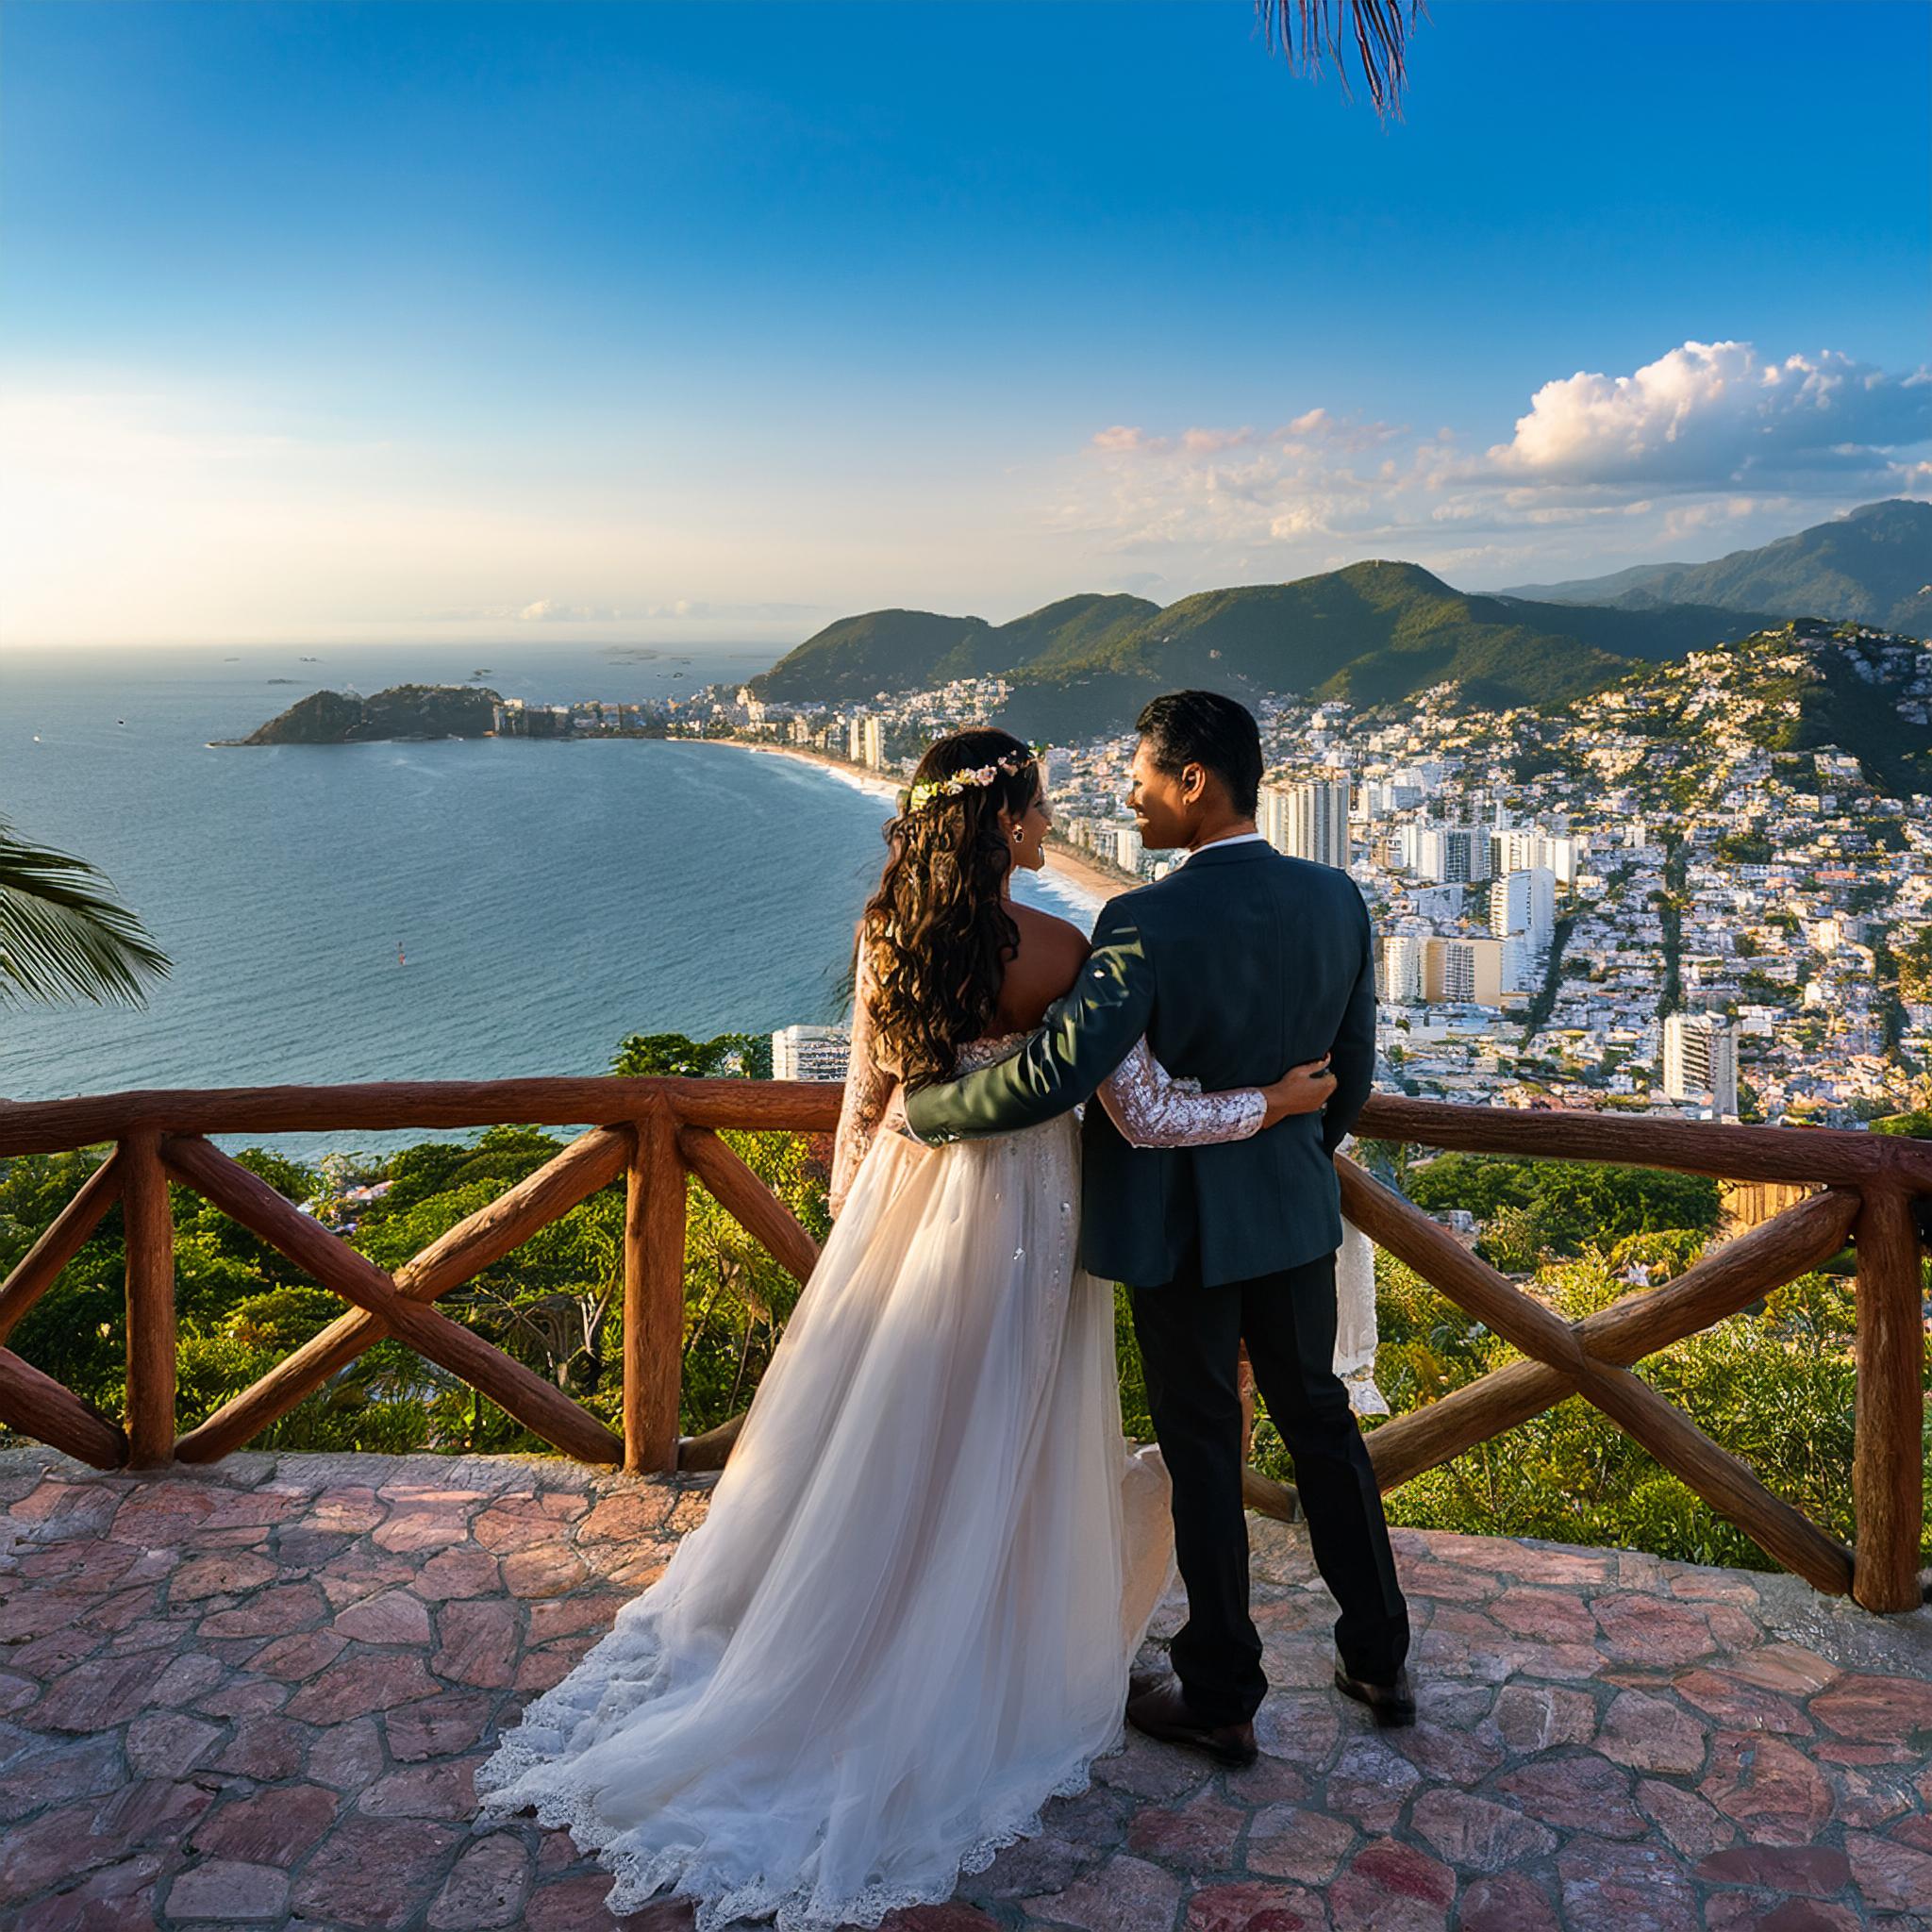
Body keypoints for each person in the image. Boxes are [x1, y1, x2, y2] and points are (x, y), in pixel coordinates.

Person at [475, 727, 1335, 1932]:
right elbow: (1141, 1112)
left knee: (898, 1418)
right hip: (1028, 1211)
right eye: (1038, 806)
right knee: (1007, 1416)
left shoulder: (884, 933)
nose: (1050, 822)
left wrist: (852, 1232)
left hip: (905, 1197)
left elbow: (863, 1103)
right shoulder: (1063, 947)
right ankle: (976, 1634)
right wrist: (1276, 1102)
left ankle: (859, 1617)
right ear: (1005, 823)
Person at [906, 691, 1415, 1770]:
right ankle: (1377, 1653)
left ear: (1193, 782)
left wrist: (929, 1109)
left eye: (1140, 776)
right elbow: (1350, 1077)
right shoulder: (1336, 898)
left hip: (1180, 1231)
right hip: (1288, 1212)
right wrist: (1279, 1149)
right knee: (1320, 1425)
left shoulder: (1142, 920)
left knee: (1200, 1449)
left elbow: (1061, 1071)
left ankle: (1223, 1689)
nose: (1124, 797)